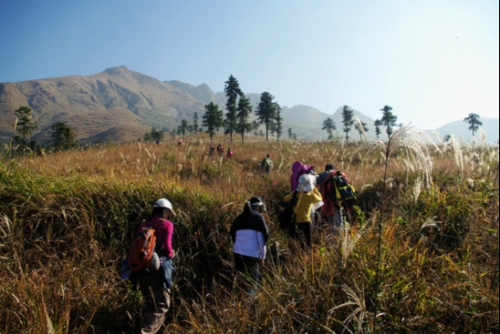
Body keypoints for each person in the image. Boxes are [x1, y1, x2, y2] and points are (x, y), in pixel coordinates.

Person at [131, 198, 176, 334]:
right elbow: (167, 247)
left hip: (140, 268)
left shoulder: (143, 224)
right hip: (158, 268)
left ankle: (143, 327)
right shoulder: (166, 224)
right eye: (168, 212)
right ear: (165, 210)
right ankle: (145, 332)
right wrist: (171, 253)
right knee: (162, 306)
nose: (168, 215)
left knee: (149, 303)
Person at [229, 196, 269, 295]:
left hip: (238, 254)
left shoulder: (239, 218)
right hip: (252, 255)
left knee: (240, 281)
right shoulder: (258, 218)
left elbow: (233, 237)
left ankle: (239, 303)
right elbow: (262, 240)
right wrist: (262, 257)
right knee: (251, 284)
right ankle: (248, 305)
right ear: (258, 207)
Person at [284, 174, 323, 248]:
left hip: (296, 221)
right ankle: (306, 254)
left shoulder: (295, 194)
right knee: (308, 241)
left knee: (298, 239)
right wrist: (315, 189)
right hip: (306, 222)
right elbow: (320, 198)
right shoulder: (311, 196)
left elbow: (285, 199)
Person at [321, 169, 352, 235]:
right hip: (343, 202)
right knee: (340, 221)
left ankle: (335, 239)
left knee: (333, 222)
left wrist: (325, 208)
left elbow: (324, 194)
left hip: (332, 203)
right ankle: (341, 237)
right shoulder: (342, 176)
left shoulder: (328, 179)